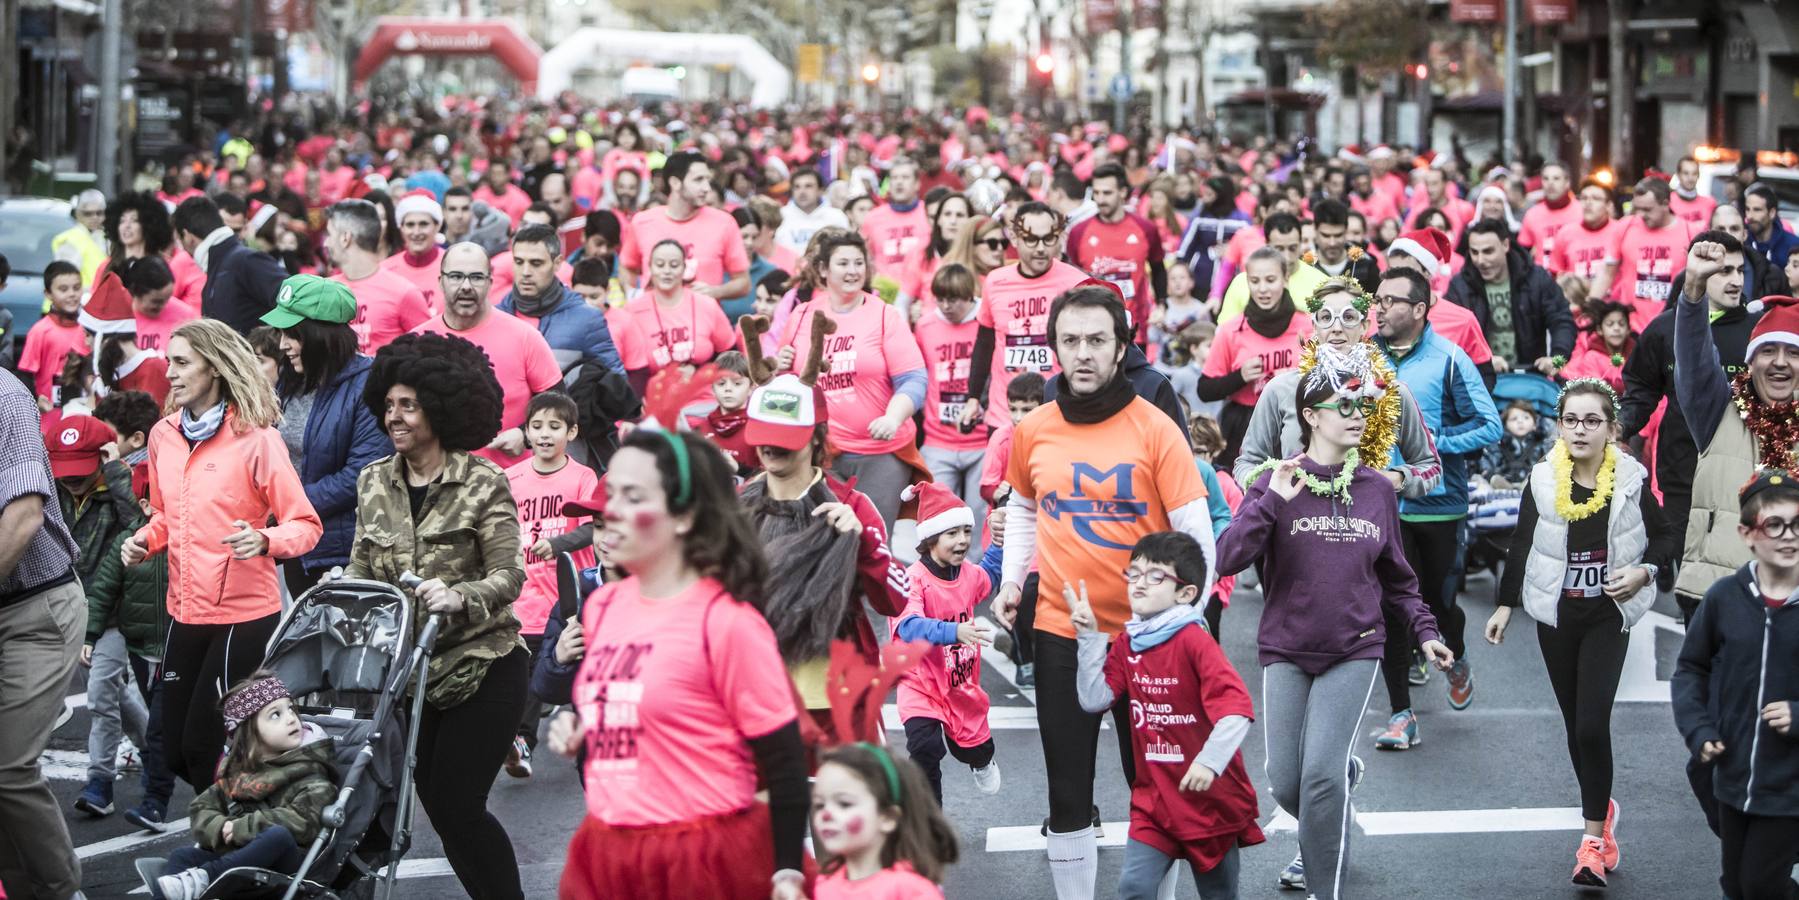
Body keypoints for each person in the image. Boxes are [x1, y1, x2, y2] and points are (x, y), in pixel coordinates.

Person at [991, 286, 1217, 900]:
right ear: (1055, 349)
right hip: (1064, 630)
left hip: (1146, 638)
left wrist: (1183, 621)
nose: (1083, 353)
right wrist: (1013, 581)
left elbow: (1194, 531)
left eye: (1097, 340)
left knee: (1153, 786)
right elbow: (1022, 509)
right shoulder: (1034, 429)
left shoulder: (1156, 428)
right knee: (1068, 791)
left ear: (1122, 348)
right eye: (1071, 341)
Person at [1218, 352, 1454, 900]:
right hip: (1287, 646)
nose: (1357, 414)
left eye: (1362, 406)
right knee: (1286, 780)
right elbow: (1227, 557)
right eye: (1343, 404)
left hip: (1354, 647)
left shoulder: (1377, 490)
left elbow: (1398, 578)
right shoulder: (1277, 482)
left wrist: (1426, 633)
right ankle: (1336, 795)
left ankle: (1327, 889)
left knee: (1319, 779)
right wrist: (1272, 500)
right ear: (1311, 415)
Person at [546, 427, 810, 900]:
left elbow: (786, 761)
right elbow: (641, 702)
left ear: (685, 516)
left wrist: (787, 869)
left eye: (633, 496)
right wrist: (584, 727)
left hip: (702, 856)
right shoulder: (604, 606)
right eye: (612, 496)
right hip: (608, 848)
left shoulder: (727, 622)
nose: (613, 513)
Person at [347, 332, 529, 900]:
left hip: (485, 664)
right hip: (411, 674)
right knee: (442, 811)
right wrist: (347, 591)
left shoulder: (483, 481)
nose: (394, 416)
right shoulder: (373, 479)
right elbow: (361, 566)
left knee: (457, 804)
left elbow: (509, 576)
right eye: (389, 404)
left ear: (441, 408)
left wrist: (460, 596)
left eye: (409, 405)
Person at [1484, 378, 1674, 888]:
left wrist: (1644, 572)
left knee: (1592, 725)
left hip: (1607, 614)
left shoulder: (1630, 478)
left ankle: (1592, 842)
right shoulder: (1544, 478)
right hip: (1559, 616)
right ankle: (1600, 808)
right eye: (1572, 420)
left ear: (1611, 429)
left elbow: (1665, 535)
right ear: (1559, 425)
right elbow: (1523, 540)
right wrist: (1505, 603)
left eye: (1593, 421)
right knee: (1574, 726)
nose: (1581, 430)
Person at [121, 319, 321, 790]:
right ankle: (246, 822)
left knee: (201, 745)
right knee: (171, 750)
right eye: (170, 361)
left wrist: (265, 541)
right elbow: (168, 516)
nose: (169, 372)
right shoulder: (163, 435)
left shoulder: (257, 439)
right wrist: (145, 540)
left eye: (182, 362)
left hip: (242, 616)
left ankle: (233, 841)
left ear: (214, 367)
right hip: (184, 610)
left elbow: (307, 525)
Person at [1071, 531, 1263, 900]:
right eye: (1135, 573)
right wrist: (1089, 638)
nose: (1140, 583)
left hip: (1210, 802)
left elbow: (1238, 708)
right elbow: (1095, 699)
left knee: (1219, 894)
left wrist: (1209, 763)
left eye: (1156, 576)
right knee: (1134, 889)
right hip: (1154, 801)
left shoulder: (1194, 640)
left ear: (1186, 593)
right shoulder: (1129, 640)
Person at [1370, 266, 1501, 745]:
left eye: (1390, 301)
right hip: (1383, 505)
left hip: (1440, 504)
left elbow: (1489, 426)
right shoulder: (1365, 358)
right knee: (1393, 606)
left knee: (1440, 605)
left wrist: (1431, 442)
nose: (1379, 309)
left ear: (1420, 309)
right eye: (1377, 300)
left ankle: (1457, 653)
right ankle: (1401, 714)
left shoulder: (1449, 359)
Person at [1673, 470, 1799, 900]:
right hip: (1731, 775)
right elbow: (1691, 668)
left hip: (1790, 785)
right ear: (1747, 533)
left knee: (1763, 884)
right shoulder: (1724, 597)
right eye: (1775, 525)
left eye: (1798, 525)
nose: (1789, 537)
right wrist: (1699, 729)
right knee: (1736, 884)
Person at [1622, 231, 1759, 599]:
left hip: (1743, 479)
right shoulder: (1665, 328)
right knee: (1694, 591)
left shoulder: (1758, 333)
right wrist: (1619, 426)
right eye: (1723, 270)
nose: (1734, 280)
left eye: (1740, 271)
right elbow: (1640, 387)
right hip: (1682, 474)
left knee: (1740, 588)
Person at [1232, 275, 1444, 503]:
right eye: (1326, 318)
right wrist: (1271, 492)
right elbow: (1246, 463)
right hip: (1293, 527)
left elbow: (1430, 467)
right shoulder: (1282, 389)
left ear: (1364, 325)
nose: (1336, 328)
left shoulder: (1390, 392)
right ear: (1314, 325)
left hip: (1368, 525)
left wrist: (1390, 480)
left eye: (1348, 317)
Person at [1672, 243, 1799, 604]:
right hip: (1715, 593)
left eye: (1793, 353)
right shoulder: (1717, 407)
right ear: (1751, 361)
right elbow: (1694, 355)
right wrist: (1694, 290)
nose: (1779, 363)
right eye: (1768, 351)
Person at [0, 369, 86, 900]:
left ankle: (60, 891)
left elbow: (24, 515)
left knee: (5, 766)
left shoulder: (5, 398)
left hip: (36, 610)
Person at [777, 230, 928, 529]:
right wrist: (780, 369)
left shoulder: (885, 316)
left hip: (880, 454)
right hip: (821, 453)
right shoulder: (802, 316)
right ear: (823, 270)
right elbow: (790, 386)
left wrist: (892, 418)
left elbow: (914, 379)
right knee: (823, 540)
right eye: (843, 263)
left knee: (872, 540)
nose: (853, 271)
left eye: (859, 263)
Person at [153, 673, 336, 900]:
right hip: (241, 861)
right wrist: (221, 827)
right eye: (276, 715)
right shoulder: (239, 774)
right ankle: (190, 885)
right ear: (250, 732)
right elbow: (202, 808)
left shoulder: (310, 771)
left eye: (291, 709)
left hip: (289, 865)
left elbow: (304, 822)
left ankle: (207, 878)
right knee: (182, 857)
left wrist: (241, 828)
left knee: (278, 835)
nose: (291, 718)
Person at [262, 275, 391, 595]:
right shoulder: (291, 382)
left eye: (292, 334)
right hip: (295, 542)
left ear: (321, 335)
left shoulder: (368, 386)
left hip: (340, 552)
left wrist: (287, 508)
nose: (282, 344)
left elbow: (359, 476)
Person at [50, 413, 150, 821]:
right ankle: (154, 748)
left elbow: (141, 526)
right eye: (63, 468)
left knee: (100, 693)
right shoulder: (52, 491)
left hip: (114, 612)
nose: (72, 479)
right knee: (111, 691)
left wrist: (115, 471)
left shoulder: (120, 488)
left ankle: (100, 782)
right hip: (71, 608)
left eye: (81, 468)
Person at [88, 389, 177, 832]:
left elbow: (131, 505)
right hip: (142, 635)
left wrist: (112, 466)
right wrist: (87, 633)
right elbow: (105, 581)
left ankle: (156, 797)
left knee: (162, 720)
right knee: (142, 705)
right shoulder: (130, 537)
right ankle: (153, 770)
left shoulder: (141, 469)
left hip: (178, 631)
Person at [503, 391, 597, 777]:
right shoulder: (510, 477)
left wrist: (557, 545)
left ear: (571, 432)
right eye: (536, 426)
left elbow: (594, 526)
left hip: (568, 598)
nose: (544, 434)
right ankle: (523, 742)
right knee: (527, 678)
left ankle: (593, 739)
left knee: (578, 669)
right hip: (522, 599)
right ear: (526, 432)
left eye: (554, 427)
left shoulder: (583, 476)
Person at [892, 480, 1003, 803]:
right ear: (929, 539)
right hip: (920, 684)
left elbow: (991, 575)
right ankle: (929, 826)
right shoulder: (913, 579)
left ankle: (982, 761)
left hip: (960, 684)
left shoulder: (967, 574)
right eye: (952, 533)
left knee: (972, 749)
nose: (963, 541)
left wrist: (999, 539)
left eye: (966, 532)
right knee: (925, 749)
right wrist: (953, 632)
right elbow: (909, 626)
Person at [413, 242, 564, 468]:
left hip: (509, 485)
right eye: (456, 276)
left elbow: (561, 405)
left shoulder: (524, 337)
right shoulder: (416, 341)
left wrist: (525, 436)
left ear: (490, 283)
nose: (466, 286)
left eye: (476, 277)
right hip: (435, 484)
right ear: (440, 282)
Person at [964, 202, 1092, 430]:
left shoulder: (1076, 283)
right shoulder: (995, 281)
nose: (1041, 248)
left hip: (1058, 413)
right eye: (1031, 240)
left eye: (1048, 239)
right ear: (1014, 239)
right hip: (1005, 415)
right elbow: (985, 343)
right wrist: (973, 397)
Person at [1197, 246, 1314, 469]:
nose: (1263, 289)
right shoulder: (1231, 330)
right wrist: (1239, 377)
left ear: (1285, 279)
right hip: (1244, 425)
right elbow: (1205, 389)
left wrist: (1294, 379)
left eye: (1270, 280)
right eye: (1255, 281)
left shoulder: (1308, 326)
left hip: (1296, 423)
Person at [811, 743, 961, 899]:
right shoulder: (826, 881)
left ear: (888, 817)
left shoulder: (909, 890)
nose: (826, 814)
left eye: (844, 804)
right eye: (819, 805)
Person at [1446, 218, 1577, 375]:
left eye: (1488, 251)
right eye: (1474, 252)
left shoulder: (1536, 278)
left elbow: (1561, 319)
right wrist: (1480, 361)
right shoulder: (1460, 286)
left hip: (1532, 376)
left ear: (1505, 245)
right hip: (1480, 378)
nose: (1480, 260)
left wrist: (1557, 359)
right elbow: (1449, 335)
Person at [495, 224, 624, 380]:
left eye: (536, 263)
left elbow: (616, 388)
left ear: (557, 263)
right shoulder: (496, 317)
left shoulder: (587, 319)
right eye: (519, 262)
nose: (526, 272)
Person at [915, 263, 989, 533]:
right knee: (939, 519)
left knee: (979, 520)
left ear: (969, 295)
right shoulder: (925, 325)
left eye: (954, 299)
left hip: (981, 441)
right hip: (938, 440)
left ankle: (979, 574)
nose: (946, 306)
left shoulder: (986, 321)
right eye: (941, 299)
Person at [618, 151, 751, 299]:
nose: (707, 188)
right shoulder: (642, 222)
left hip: (702, 318)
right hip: (653, 318)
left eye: (707, 180)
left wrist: (715, 292)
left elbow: (743, 282)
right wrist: (633, 295)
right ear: (675, 183)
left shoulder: (724, 223)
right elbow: (626, 267)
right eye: (698, 180)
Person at [1068, 164, 1166, 341]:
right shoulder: (1078, 232)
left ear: (1122, 192)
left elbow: (1158, 268)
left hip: (1134, 329)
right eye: (1096, 193)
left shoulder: (1146, 229)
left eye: (1107, 193)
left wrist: (1162, 304)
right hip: (1091, 331)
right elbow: (1070, 278)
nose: (1100, 199)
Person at [171, 196, 288, 335]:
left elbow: (294, 301)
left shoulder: (245, 260)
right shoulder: (222, 266)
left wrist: (269, 349)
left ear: (187, 236)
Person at [622, 239, 737, 374]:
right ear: (650, 267)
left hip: (703, 389)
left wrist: (698, 371)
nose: (667, 271)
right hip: (652, 390)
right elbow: (628, 367)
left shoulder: (707, 304)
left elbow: (730, 355)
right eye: (660, 265)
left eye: (674, 265)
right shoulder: (632, 311)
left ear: (684, 268)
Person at [1216, 214, 1326, 325]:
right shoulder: (1242, 282)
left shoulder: (1321, 284)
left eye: (1292, 248)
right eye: (1279, 249)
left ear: (1300, 244)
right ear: (1267, 245)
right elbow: (1225, 332)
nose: (1286, 256)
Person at [19, 260, 89, 406]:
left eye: (76, 288)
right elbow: (25, 374)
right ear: (48, 294)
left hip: (82, 415)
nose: (72, 294)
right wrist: (35, 400)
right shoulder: (40, 331)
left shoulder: (88, 328)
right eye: (63, 289)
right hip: (50, 418)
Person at [686, 351, 757, 474]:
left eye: (737, 383)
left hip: (748, 492)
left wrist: (739, 470)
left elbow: (769, 475)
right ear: (712, 388)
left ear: (751, 388)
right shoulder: (700, 430)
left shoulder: (759, 429)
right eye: (721, 383)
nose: (728, 389)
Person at [379, 190, 447, 313]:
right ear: (401, 228)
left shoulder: (451, 265)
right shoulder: (384, 270)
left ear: (437, 226)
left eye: (423, 224)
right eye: (410, 225)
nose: (416, 232)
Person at [861, 158, 929, 281]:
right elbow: (864, 257)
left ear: (917, 183)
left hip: (921, 293)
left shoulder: (928, 213)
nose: (899, 182)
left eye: (905, 177)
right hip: (883, 295)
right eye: (894, 178)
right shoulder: (872, 218)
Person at [117, 255, 200, 355]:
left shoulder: (187, 317)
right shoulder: (118, 320)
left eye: (168, 299)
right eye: (156, 302)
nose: (164, 306)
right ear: (134, 292)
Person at [1518, 162, 1583, 269]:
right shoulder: (1532, 214)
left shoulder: (1582, 211)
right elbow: (1522, 253)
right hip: (1543, 279)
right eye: (1546, 179)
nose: (1550, 183)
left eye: (1556, 178)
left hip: (1575, 279)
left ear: (1567, 182)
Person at [776, 168, 849, 258]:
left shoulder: (836, 216)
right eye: (797, 187)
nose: (802, 192)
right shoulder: (780, 215)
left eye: (808, 186)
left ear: (820, 190)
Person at [1479, 400, 1553, 489]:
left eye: (1526, 418)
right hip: (1504, 478)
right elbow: (1489, 461)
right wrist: (1489, 473)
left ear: (1535, 425)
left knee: (1541, 474)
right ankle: (1503, 485)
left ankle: (1528, 485)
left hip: (1531, 478)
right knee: (1491, 477)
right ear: (1505, 425)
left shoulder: (1541, 442)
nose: (1520, 422)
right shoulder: (1499, 443)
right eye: (1514, 419)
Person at [53, 188, 108, 286]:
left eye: (99, 213)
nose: (94, 217)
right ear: (78, 214)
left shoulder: (106, 238)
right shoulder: (70, 240)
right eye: (88, 213)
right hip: (78, 299)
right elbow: (65, 282)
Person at [1744, 183, 1799, 269]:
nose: (1750, 216)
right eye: (1747, 209)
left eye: (1757, 210)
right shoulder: (1742, 242)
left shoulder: (1793, 245)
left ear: (1772, 213)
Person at [1669, 157, 1718, 227]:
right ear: (1678, 175)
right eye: (1686, 173)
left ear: (1698, 175)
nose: (1690, 178)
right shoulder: (1668, 202)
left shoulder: (1710, 203)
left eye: (1694, 173)